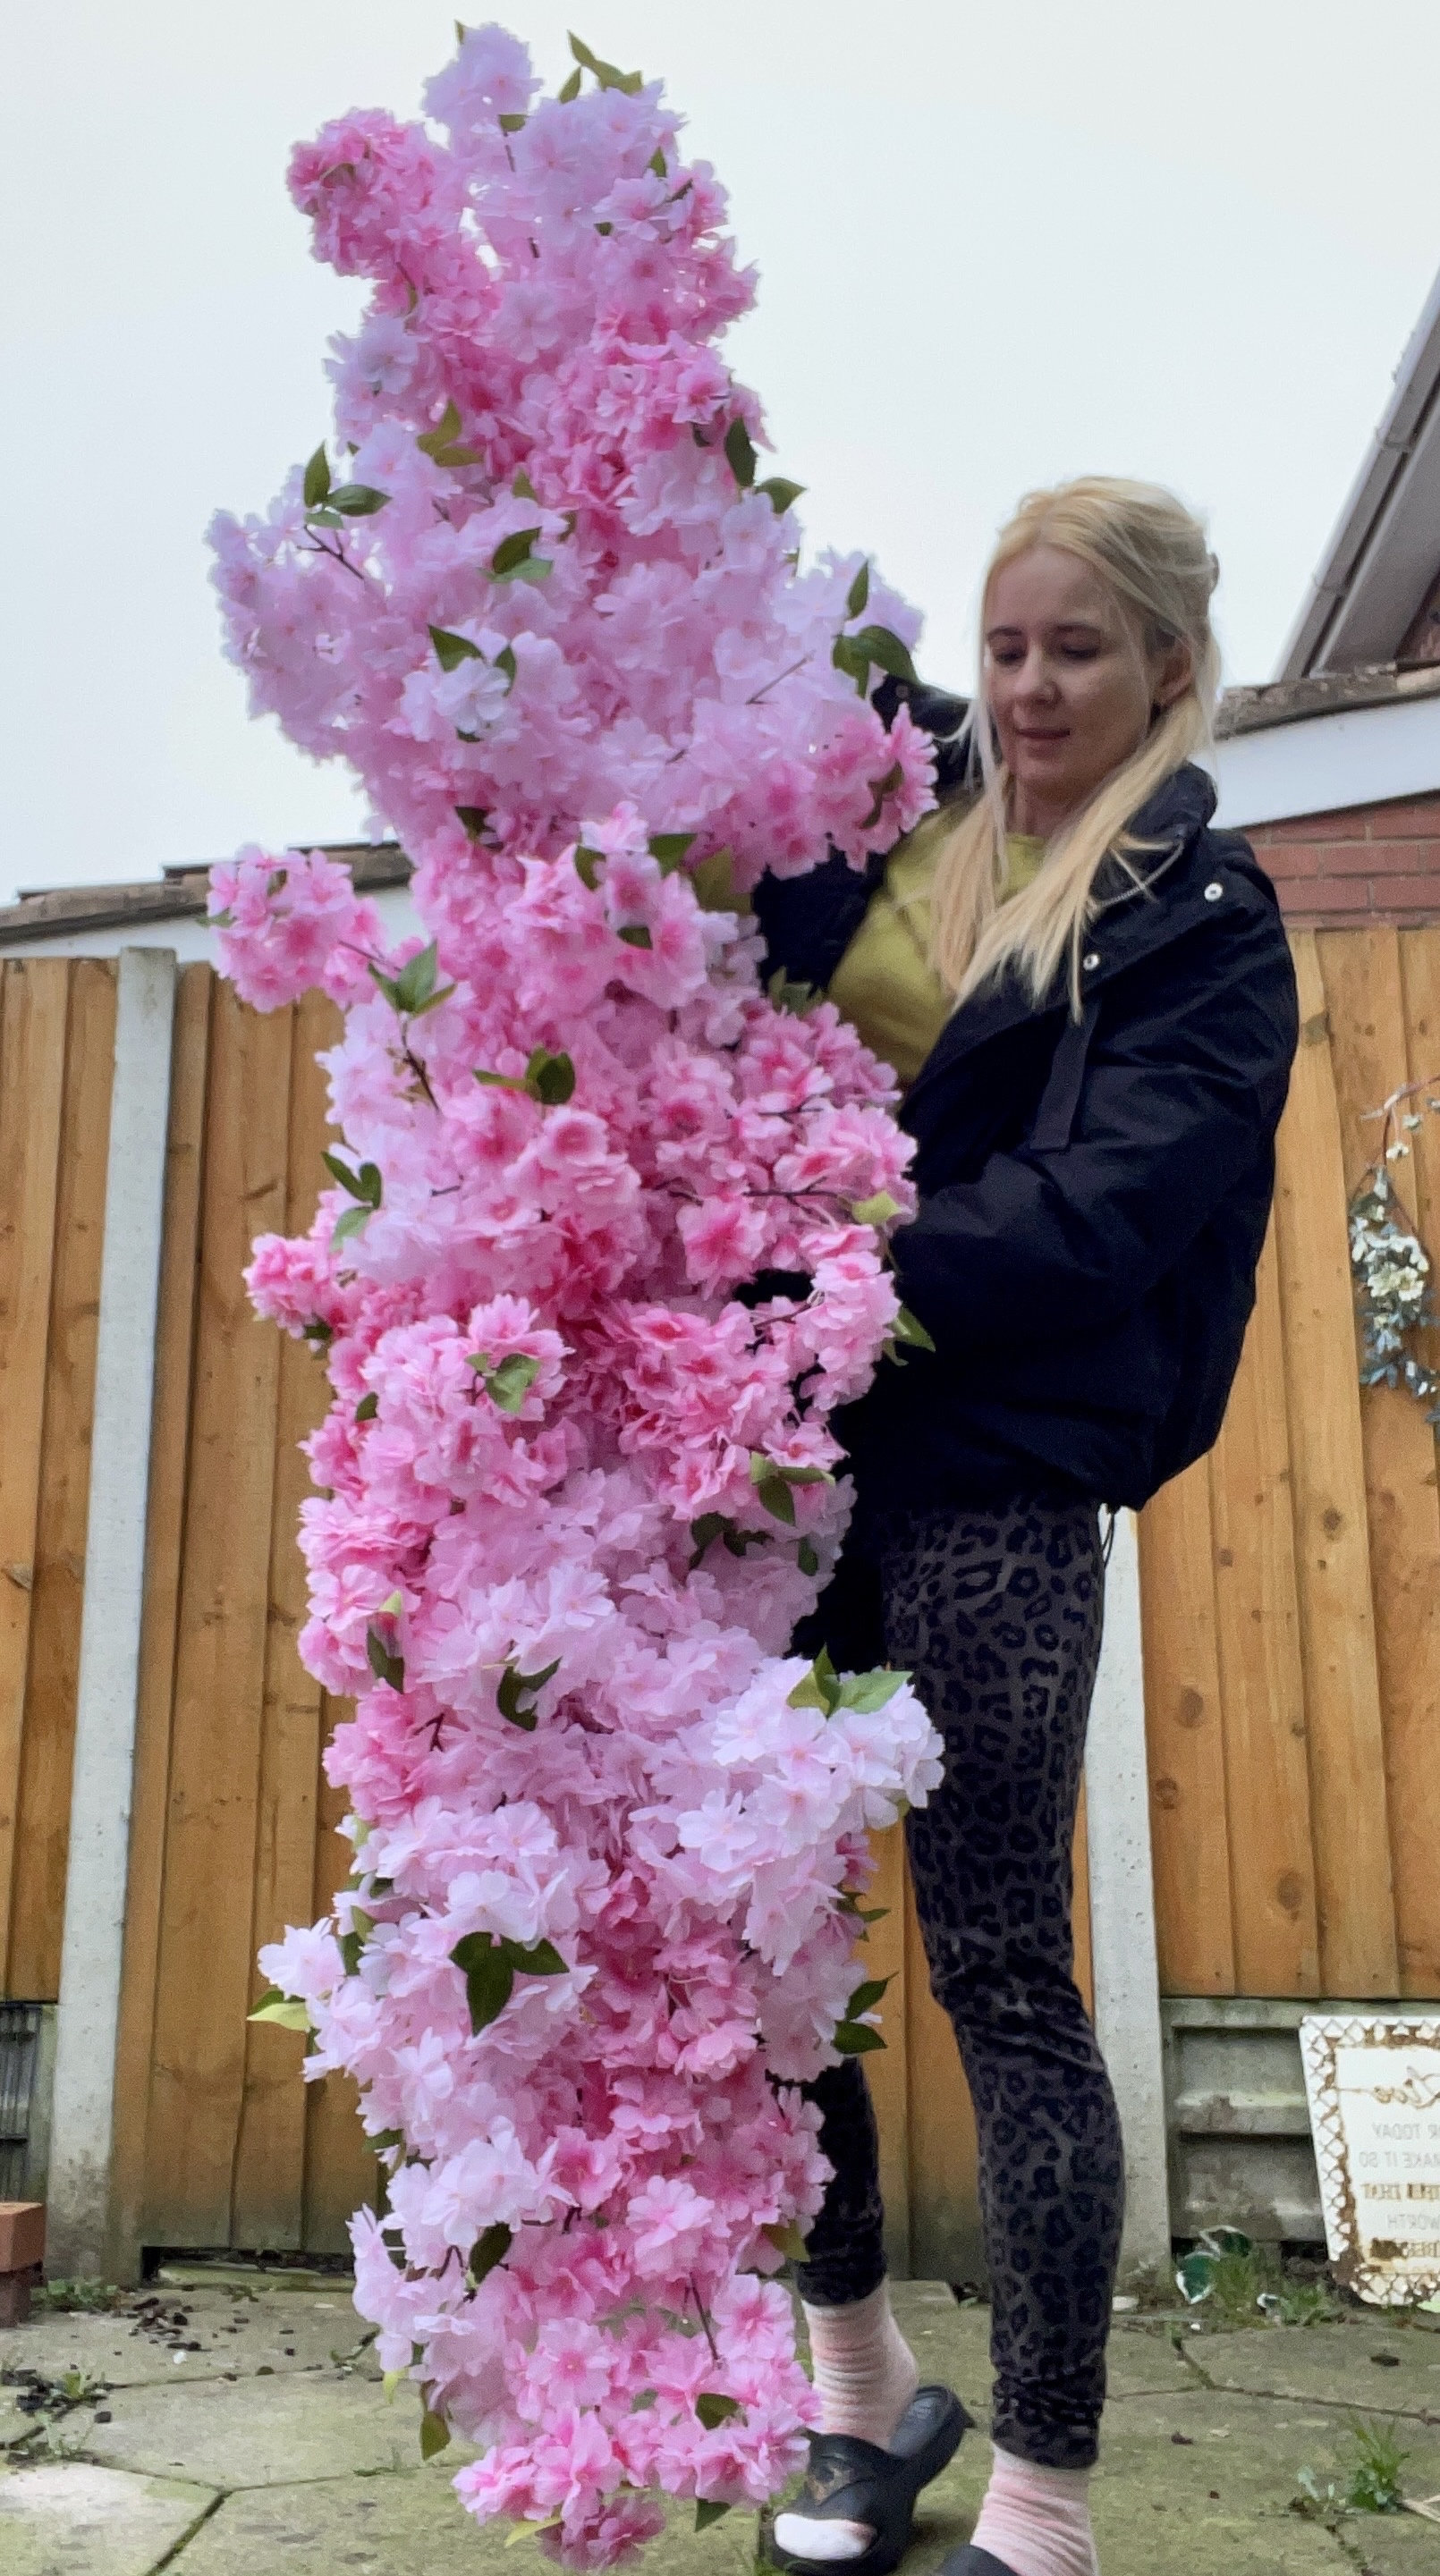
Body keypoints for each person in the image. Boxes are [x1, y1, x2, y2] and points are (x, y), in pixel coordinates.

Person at [756, 478, 1300, 2576]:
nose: (1030, 685)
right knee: (770, 1956)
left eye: (1075, 647)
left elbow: (1102, 1212)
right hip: (811, 1475)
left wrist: (822, 1269)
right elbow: (790, 953)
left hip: (997, 1482)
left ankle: (1050, 2502)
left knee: (995, 1963)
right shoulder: (936, 858)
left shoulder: (1194, 906)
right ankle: (862, 2399)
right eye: (1003, 645)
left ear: (1166, 663)